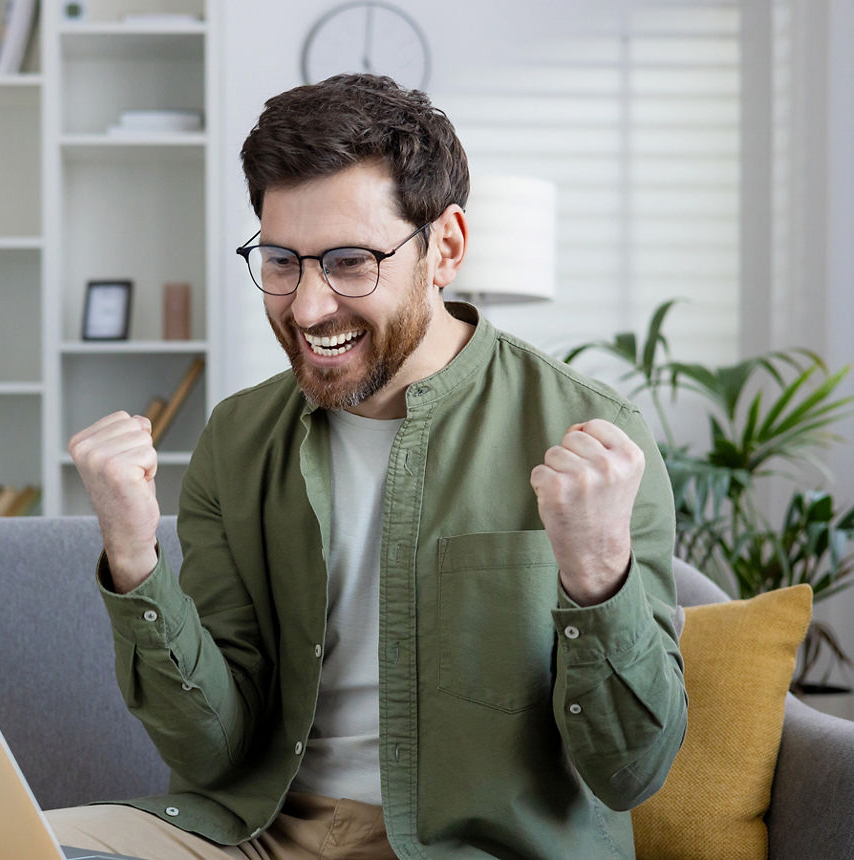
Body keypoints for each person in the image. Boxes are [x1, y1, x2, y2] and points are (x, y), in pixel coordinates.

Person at [55, 73, 687, 860]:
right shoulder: (239, 437)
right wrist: (132, 554)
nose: (307, 306)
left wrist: (597, 574)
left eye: (351, 262)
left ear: (445, 247)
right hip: (256, 832)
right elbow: (211, 752)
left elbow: (632, 773)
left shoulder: (592, 439)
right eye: (281, 261)